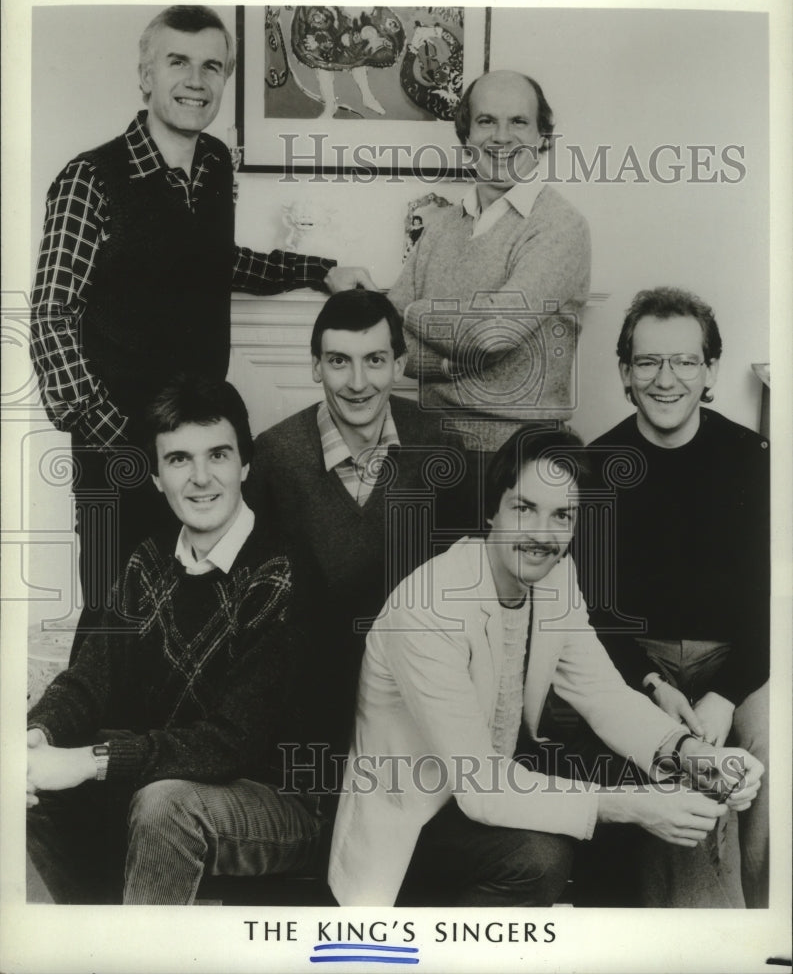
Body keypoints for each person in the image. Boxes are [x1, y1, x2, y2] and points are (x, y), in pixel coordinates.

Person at [29, 5, 375, 631]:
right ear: (145, 75)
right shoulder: (89, 179)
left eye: (212, 66)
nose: (196, 80)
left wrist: (318, 270)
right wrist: (119, 434)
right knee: (118, 621)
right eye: (178, 62)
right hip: (120, 449)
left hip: (200, 441)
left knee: (198, 615)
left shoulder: (215, 163)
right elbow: (52, 317)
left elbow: (214, 262)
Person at [328, 425, 762, 906]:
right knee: (541, 856)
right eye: (525, 508)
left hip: (494, 781)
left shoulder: (557, 577)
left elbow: (605, 695)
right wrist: (634, 807)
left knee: (641, 776)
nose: (542, 534)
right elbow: (480, 788)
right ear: (493, 511)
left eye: (562, 516)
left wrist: (692, 755)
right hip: (417, 817)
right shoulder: (429, 605)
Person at [26, 378, 324, 905]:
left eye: (219, 455)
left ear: (245, 466)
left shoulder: (283, 573)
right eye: (180, 460)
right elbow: (89, 679)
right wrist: (36, 736)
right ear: (158, 477)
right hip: (165, 778)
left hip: (279, 803)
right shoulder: (148, 560)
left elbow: (232, 743)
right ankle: (91, 943)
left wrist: (91, 760)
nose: (201, 478)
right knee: (21, 791)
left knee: (167, 805)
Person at [574, 287, 770, 907]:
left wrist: (725, 694)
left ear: (710, 370)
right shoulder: (598, 465)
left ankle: (769, 922)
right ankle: (708, 936)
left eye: (685, 361)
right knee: (683, 765)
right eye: (649, 362)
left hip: (740, 663)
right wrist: (654, 687)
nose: (666, 379)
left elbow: (773, 604)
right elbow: (595, 613)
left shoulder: (754, 459)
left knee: (773, 750)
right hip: (640, 666)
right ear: (626, 372)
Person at [245, 289, 469, 773]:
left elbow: (466, 586)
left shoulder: (439, 446)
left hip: (414, 697)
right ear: (315, 366)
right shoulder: (275, 456)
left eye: (375, 360)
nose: (358, 382)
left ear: (399, 364)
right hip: (308, 702)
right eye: (339, 361)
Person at [388, 69, 591, 515]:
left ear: (543, 138)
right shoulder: (441, 226)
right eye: (486, 122)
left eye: (518, 122)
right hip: (430, 446)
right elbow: (387, 339)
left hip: (518, 461)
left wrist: (416, 313)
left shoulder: (559, 226)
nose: (501, 138)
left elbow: (492, 336)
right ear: (466, 136)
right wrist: (446, 357)